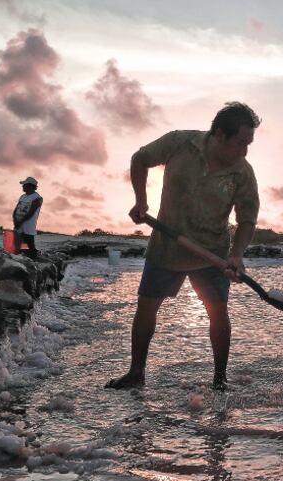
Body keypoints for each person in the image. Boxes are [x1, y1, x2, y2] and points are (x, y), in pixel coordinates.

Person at [106, 102, 261, 391]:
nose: (244, 151)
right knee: (146, 308)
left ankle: (220, 379)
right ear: (219, 134)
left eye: (248, 144)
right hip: (167, 246)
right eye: (240, 143)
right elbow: (140, 159)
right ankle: (136, 373)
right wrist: (141, 201)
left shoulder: (243, 172)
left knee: (218, 313)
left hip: (212, 253)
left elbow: (247, 219)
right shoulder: (180, 142)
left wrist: (236, 255)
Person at [12, 176, 43, 258]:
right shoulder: (22, 196)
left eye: (24, 185)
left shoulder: (37, 198)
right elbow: (16, 209)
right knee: (21, 245)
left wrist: (20, 222)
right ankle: (24, 257)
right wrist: (15, 220)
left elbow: (31, 213)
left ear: (30, 186)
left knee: (29, 244)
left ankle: (34, 258)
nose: (23, 186)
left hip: (28, 225)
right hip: (18, 224)